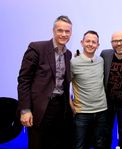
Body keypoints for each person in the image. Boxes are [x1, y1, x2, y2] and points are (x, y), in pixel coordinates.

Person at [17, 15, 73, 149]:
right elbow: (24, 80)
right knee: (38, 144)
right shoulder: (37, 48)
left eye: (67, 31)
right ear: (53, 31)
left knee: (57, 144)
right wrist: (25, 109)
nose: (64, 34)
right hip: (40, 109)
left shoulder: (68, 54)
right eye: (60, 30)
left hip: (61, 109)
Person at [70, 30, 108, 149]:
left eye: (94, 42)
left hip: (102, 110)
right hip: (82, 113)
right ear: (82, 42)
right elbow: (65, 84)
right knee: (80, 145)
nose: (90, 44)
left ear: (98, 45)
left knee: (100, 144)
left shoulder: (101, 61)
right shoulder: (73, 62)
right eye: (88, 41)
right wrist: (70, 104)